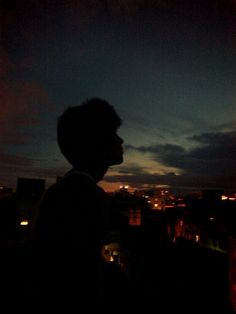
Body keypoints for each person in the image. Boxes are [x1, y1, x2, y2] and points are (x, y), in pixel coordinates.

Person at [30, 97, 130, 311]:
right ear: (96, 142)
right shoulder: (83, 194)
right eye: (113, 134)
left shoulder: (69, 189)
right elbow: (81, 278)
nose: (121, 141)